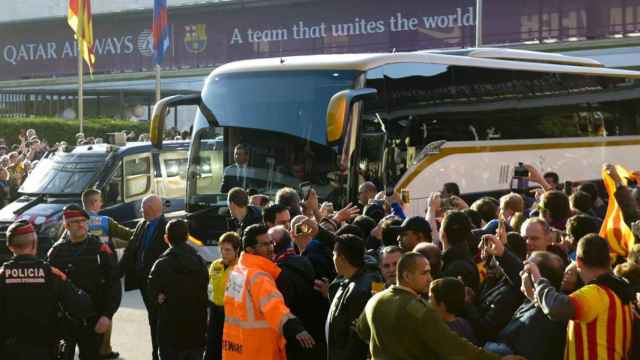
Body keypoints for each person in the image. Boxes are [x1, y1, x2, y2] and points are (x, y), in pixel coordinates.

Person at [355, 252, 522, 360]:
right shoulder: (419, 309)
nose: (429, 278)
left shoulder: (374, 301)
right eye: (424, 273)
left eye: (429, 271)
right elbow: (452, 345)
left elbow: (361, 330)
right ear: (406, 276)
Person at [529, 234, 635, 359]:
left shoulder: (597, 293)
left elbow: (555, 307)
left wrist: (538, 279)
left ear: (578, 262)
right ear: (609, 260)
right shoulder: (619, 288)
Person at [0, 220, 93, 360]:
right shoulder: (52, 274)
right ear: (34, 244)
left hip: (8, 351)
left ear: (9, 246)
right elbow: (81, 305)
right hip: (46, 351)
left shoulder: (1, 275)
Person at [223, 224, 315, 360]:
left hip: (236, 349)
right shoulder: (258, 276)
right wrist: (295, 327)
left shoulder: (237, 271)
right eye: (264, 245)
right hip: (259, 350)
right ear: (250, 249)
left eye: (271, 243)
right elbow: (273, 306)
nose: (271, 248)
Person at [47, 205, 121, 360]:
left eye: (83, 221)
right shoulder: (56, 252)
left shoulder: (100, 249)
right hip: (65, 321)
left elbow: (113, 285)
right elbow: (49, 290)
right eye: (75, 221)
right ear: (66, 225)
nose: (81, 224)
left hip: (93, 319)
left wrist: (107, 315)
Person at [485, 251, 567, 359]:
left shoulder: (540, 319)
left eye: (525, 270)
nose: (520, 274)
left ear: (535, 279)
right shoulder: (533, 300)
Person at [81, 189, 133, 360]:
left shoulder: (74, 222)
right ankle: (104, 349)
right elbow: (129, 235)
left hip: (82, 275)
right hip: (105, 273)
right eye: (99, 201)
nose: (101, 203)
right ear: (92, 203)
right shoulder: (105, 222)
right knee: (106, 311)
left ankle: (87, 348)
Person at [148, 219, 209, 360]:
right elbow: (206, 290)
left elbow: (152, 294)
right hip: (196, 329)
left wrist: (160, 297)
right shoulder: (200, 262)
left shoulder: (161, 265)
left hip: (170, 331)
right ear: (187, 237)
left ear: (166, 238)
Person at [119, 195, 168, 360]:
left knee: (159, 319)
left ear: (152, 209)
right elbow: (130, 250)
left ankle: (159, 352)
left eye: (143, 208)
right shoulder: (142, 224)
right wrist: (116, 274)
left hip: (159, 284)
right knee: (152, 317)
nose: (140, 210)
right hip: (142, 281)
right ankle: (157, 351)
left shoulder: (167, 227)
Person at [270, 225, 328, 360]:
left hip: (298, 336)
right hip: (315, 331)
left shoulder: (279, 272)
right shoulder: (304, 260)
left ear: (273, 245)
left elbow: (283, 308)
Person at [326, 234, 384, 360]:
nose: (333, 259)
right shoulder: (348, 280)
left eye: (334, 255)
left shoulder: (360, 291)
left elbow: (357, 338)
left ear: (342, 258)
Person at [205, 232, 240, 360]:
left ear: (236, 250)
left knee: (229, 348)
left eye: (228, 250)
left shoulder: (240, 268)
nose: (224, 253)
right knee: (211, 346)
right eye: (221, 249)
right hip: (215, 311)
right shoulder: (215, 265)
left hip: (232, 313)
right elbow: (209, 289)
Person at [430, 277, 479, 345]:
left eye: (430, 299)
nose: (428, 302)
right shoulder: (464, 324)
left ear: (442, 305)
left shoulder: (438, 331)